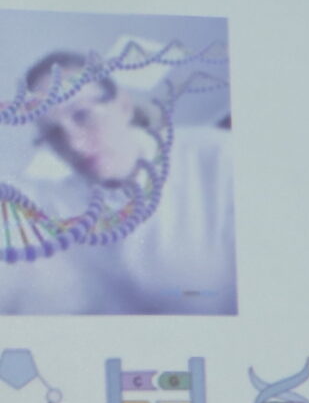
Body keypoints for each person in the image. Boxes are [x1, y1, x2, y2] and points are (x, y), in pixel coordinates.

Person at [0, 49, 236, 316]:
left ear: (123, 104)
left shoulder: (221, 159)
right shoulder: (62, 201)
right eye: (54, 132)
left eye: (82, 115)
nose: (75, 144)